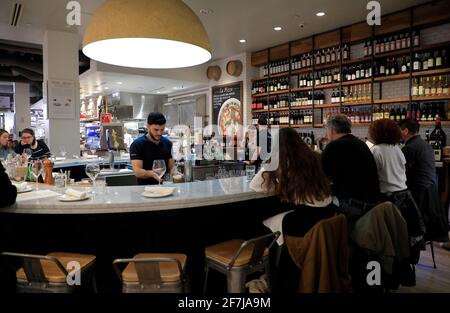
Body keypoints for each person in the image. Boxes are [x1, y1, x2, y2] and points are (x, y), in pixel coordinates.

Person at [250, 127, 338, 292]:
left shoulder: (282, 162)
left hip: (307, 221)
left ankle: (271, 277)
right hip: (328, 212)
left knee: (264, 223)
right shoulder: (314, 156)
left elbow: (255, 186)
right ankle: (271, 275)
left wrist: (269, 163)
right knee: (281, 219)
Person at [368, 119, 426, 265]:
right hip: (404, 197)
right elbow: (403, 171)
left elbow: (372, 177)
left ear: (375, 133)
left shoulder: (376, 150)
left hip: (386, 200)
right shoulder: (397, 149)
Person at [398, 118, 449, 242]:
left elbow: (401, 173)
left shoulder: (409, 148)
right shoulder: (425, 145)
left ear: (405, 131)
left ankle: (403, 245)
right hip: (430, 196)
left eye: (399, 130)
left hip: (418, 198)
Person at [321, 114, 381, 219]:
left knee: (320, 208)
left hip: (353, 206)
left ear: (331, 130)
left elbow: (322, 175)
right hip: (373, 204)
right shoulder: (361, 144)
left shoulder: (333, 147)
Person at [130, 112, 175, 185]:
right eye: (156, 130)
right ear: (148, 127)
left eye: (162, 129)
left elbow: (171, 167)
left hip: (166, 188)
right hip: (145, 189)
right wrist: (152, 174)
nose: (159, 133)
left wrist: (176, 173)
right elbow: (137, 171)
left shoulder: (167, 143)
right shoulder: (137, 145)